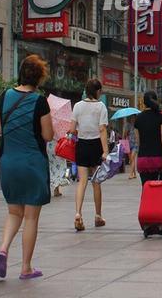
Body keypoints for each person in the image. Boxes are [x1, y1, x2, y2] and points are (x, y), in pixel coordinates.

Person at [0, 55, 54, 279]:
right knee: (30, 217)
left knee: (13, 212)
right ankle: (26, 267)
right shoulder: (39, 101)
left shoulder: (5, 96)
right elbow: (47, 135)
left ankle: (3, 248)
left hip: (9, 162)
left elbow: (0, 129)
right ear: (39, 77)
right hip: (32, 163)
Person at [69, 79, 108, 232]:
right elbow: (102, 130)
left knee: (82, 181)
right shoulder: (101, 107)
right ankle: (98, 216)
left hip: (82, 145)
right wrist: (105, 151)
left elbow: (72, 129)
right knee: (96, 182)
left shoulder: (78, 106)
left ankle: (78, 213)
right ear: (97, 91)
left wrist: (81, 130)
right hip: (96, 145)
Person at [133, 91, 162, 186]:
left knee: (146, 191)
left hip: (143, 160)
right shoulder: (161, 117)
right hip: (158, 160)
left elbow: (138, 142)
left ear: (144, 102)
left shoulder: (138, 118)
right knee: (160, 192)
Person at [124, 115, 138, 179]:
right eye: (132, 117)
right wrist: (125, 129)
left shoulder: (137, 125)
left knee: (132, 157)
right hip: (128, 143)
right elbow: (125, 134)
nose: (133, 119)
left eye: (134, 117)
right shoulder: (128, 125)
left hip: (135, 143)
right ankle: (134, 173)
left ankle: (130, 174)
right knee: (131, 159)